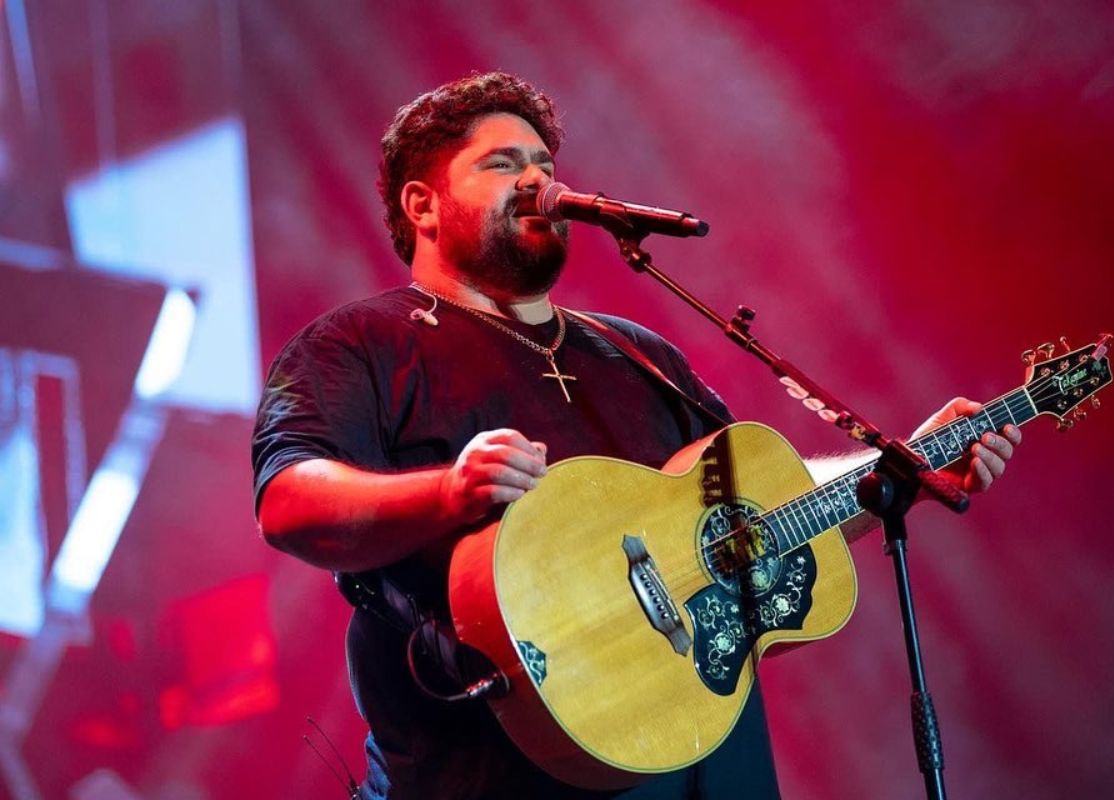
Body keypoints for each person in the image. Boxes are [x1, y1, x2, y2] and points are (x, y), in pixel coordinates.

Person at [251, 72, 1020, 799]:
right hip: (495, 770)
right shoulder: (359, 345)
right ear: (422, 205)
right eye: (500, 163)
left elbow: (757, 523)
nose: (536, 180)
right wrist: (448, 490)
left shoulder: (638, 353)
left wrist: (896, 472)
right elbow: (287, 501)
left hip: (707, 759)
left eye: (544, 162)